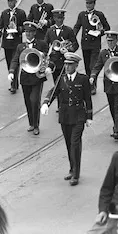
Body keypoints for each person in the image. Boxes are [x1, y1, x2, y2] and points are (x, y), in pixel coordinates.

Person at [41, 52, 93, 185]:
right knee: (69, 144)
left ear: (76, 65)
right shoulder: (61, 78)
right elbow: (53, 92)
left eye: (70, 65)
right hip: (65, 115)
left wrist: (89, 116)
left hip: (78, 115)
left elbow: (87, 98)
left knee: (75, 144)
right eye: (66, 64)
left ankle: (76, 174)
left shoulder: (83, 79)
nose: (67, 67)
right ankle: (72, 169)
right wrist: (46, 103)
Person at [10, 21, 50, 135]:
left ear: (35, 33)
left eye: (30, 32)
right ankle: (31, 123)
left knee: (35, 100)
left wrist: (46, 65)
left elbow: (47, 57)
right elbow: (15, 59)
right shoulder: (20, 46)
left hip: (37, 77)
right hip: (25, 78)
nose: (28, 34)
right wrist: (12, 71)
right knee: (28, 101)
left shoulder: (41, 44)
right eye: (26, 32)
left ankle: (36, 125)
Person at [91, 31, 118, 139]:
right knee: (112, 107)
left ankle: (117, 130)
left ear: (116, 40)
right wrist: (93, 76)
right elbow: (98, 66)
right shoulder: (104, 53)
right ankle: (115, 125)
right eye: (108, 41)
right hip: (108, 85)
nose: (110, 43)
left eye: (112, 41)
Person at [73, 0, 110, 95]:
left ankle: (93, 86)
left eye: (90, 3)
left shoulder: (99, 14)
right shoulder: (82, 15)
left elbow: (107, 27)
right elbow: (77, 26)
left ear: (94, 4)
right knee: (87, 66)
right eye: (87, 3)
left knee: (93, 66)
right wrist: (72, 36)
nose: (88, 5)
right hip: (85, 44)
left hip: (94, 44)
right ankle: (89, 85)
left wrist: (100, 32)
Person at [0, 0, 27, 93]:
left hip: (16, 42)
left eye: (12, 1)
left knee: (15, 62)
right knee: (9, 63)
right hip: (7, 42)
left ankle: (14, 85)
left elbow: (25, 26)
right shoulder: (4, 13)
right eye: (9, 1)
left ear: (15, 1)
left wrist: (17, 29)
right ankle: (13, 81)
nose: (10, 3)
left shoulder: (21, 13)